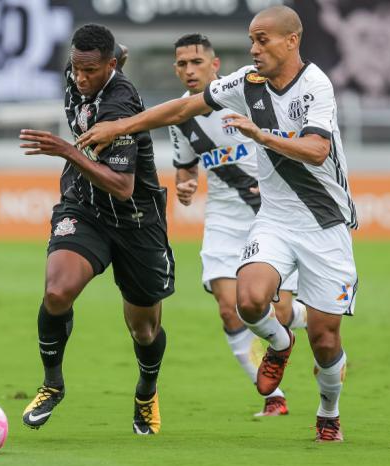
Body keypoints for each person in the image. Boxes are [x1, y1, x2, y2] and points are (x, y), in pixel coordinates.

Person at [77, 6, 358, 442]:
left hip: (324, 221)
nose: (254, 47)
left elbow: (317, 150)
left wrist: (261, 137)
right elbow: (183, 109)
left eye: (262, 39)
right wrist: (122, 125)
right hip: (275, 218)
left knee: (326, 338)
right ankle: (280, 345)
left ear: (291, 40)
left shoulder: (316, 84)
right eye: (251, 39)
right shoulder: (245, 82)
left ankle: (328, 412)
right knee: (246, 301)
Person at [18, 24, 174, 435]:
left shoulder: (120, 106)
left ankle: (146, 390)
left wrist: (67, 151)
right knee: (56, 291)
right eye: (77, 69)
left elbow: (123, 187)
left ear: (109, 67)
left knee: (144, 329)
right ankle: (53, 384)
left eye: (91, 71)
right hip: (85, 208)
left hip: (135, 219)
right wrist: (113, 55)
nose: (81, 79)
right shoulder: (84, 70)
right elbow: (115, 51)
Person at [169, 33, 306, 417]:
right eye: (182, 64)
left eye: (197, 62)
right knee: (230, 310)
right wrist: (185, 187)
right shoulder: (179, 115)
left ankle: (311, 317)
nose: (189, 70)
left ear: (215, 66)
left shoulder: (248, 95)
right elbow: (184, 168)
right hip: (224, 219)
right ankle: (273, 398)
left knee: (276, 315)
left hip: (273, 213)